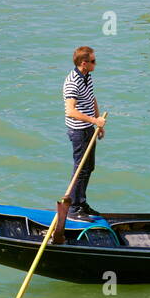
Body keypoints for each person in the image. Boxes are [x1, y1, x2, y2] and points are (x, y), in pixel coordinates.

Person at [63, 46, 105, 222]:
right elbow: (70, 111)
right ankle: (73, 209)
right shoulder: (73, 82)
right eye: (93, 61)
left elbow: (91, 98)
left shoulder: (87, 76)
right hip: (79, 131)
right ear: (84, 63)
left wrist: (98, 123)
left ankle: (81, 203)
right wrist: (95, 121)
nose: (96, 63)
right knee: (80, 169)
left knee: (88, 167)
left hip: (88, 128)